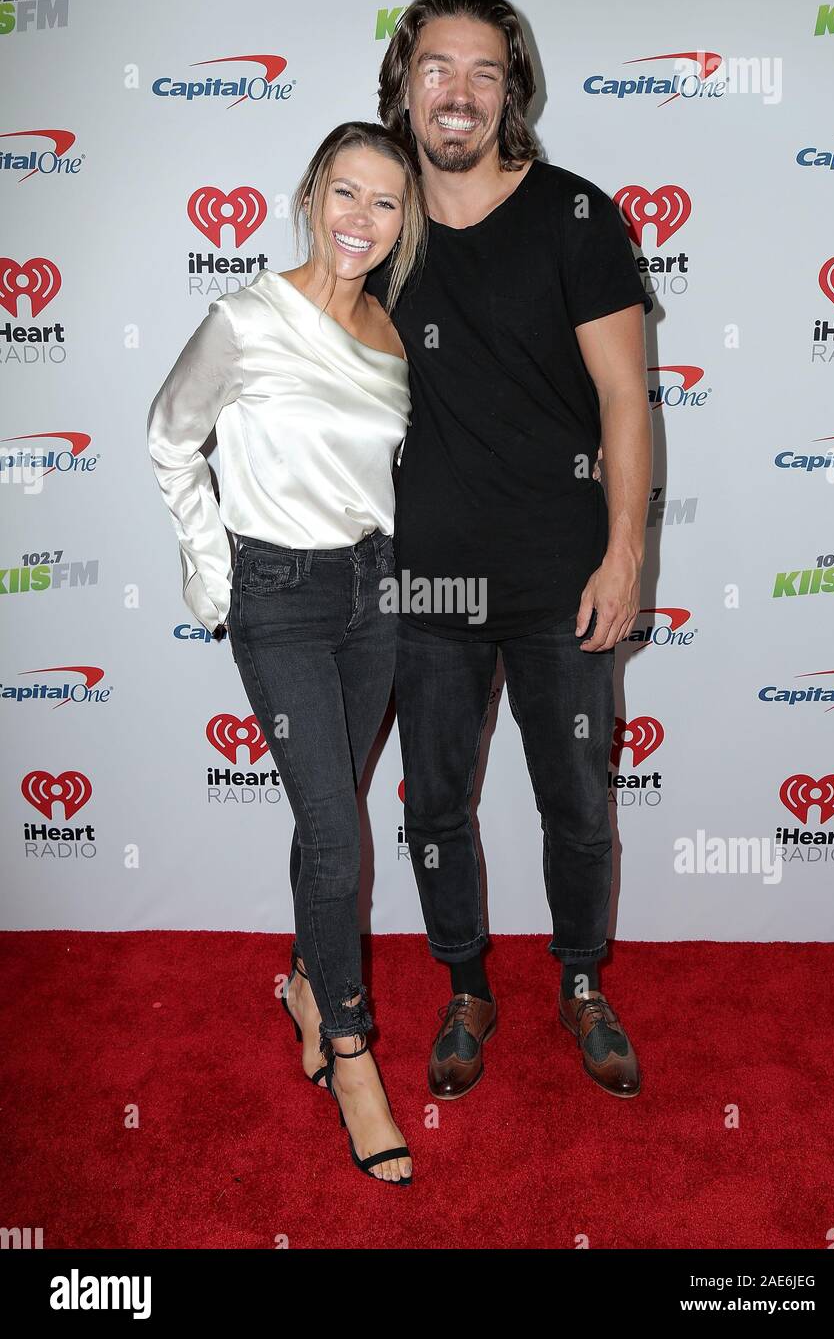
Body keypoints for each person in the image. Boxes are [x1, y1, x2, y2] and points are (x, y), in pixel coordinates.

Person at [365, 0, 653, 1100]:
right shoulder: (379, 227)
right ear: (403, 82)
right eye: (438, 67)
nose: (460, 92)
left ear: (511, 90)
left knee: (577, 801)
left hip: (559, 576)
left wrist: (625, 554)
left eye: (485, 72)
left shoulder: (576, 214)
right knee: (433, 805)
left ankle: (581, 981)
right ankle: (464, 986)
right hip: (425, 579)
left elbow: (626, 400)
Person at [146, 121, 427, 1183]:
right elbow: (170, 432)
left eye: (385, 203)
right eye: (344, 193)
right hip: (280, 593)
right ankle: (350, 1052)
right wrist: (212, 573)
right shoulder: (247, 316)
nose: (361, 219)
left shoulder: (392, 337)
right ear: (310, 195)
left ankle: (310, 981)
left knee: (333, 818)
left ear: (403, 225)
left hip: (375, 592)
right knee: (335, 829)